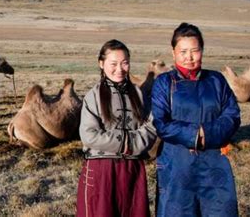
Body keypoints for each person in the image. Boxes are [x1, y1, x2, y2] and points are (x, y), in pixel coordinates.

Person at [152, 23, 240, 216]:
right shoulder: (164, 83)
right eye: (183, 51)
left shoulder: (216, 80)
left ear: (202, 50)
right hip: (177, 166)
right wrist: (194, 134)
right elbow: (161, 123)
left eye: (195, 50)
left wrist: (206, 133)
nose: (189, 57)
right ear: (173, 52)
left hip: (214, 163)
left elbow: (232, 116)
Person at [76, 39, 157, 217]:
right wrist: (124, 142)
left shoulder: (138, 94)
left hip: (132, 168)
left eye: (125, 63)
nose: (119, 69)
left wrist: (135, 145)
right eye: (113, 63)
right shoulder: (93, 95)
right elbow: (89, 135)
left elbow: (151, 125)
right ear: (101, 63)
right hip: (101, 170)